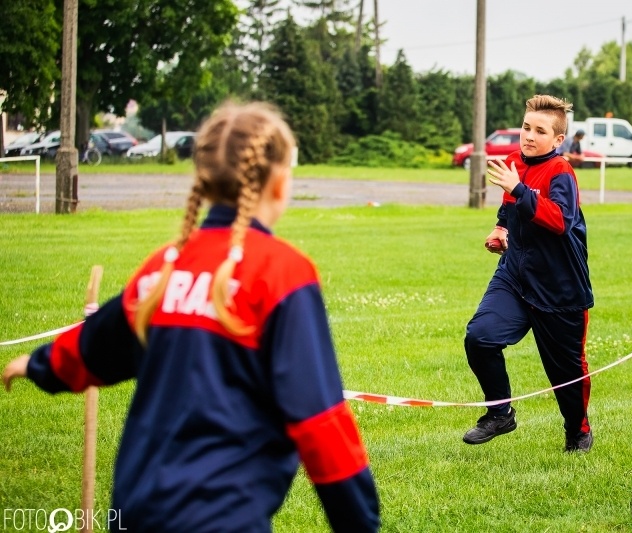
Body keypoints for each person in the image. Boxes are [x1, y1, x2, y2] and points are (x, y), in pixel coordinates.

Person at [2, 102, 380, 533]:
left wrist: (37, 364)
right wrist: (360, 522)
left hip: (134, 511)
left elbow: (96, 347)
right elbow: (319, 422)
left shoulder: (164, 266)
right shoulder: (281, 274)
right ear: (278, 182)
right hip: (222, 519)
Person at [462, 95, 594, 453]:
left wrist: (518, 189)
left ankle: (577, 430)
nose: (529, 136)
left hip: (560, 288)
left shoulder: (561, 172)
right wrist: (501, 229)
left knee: (566, 375)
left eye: (540, 131)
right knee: (480, 337)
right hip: (516, 276)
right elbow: (509, 208)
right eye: (526, 127)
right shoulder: (512, 164)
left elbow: (560, 221)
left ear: (557, 140)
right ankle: (499, 412)